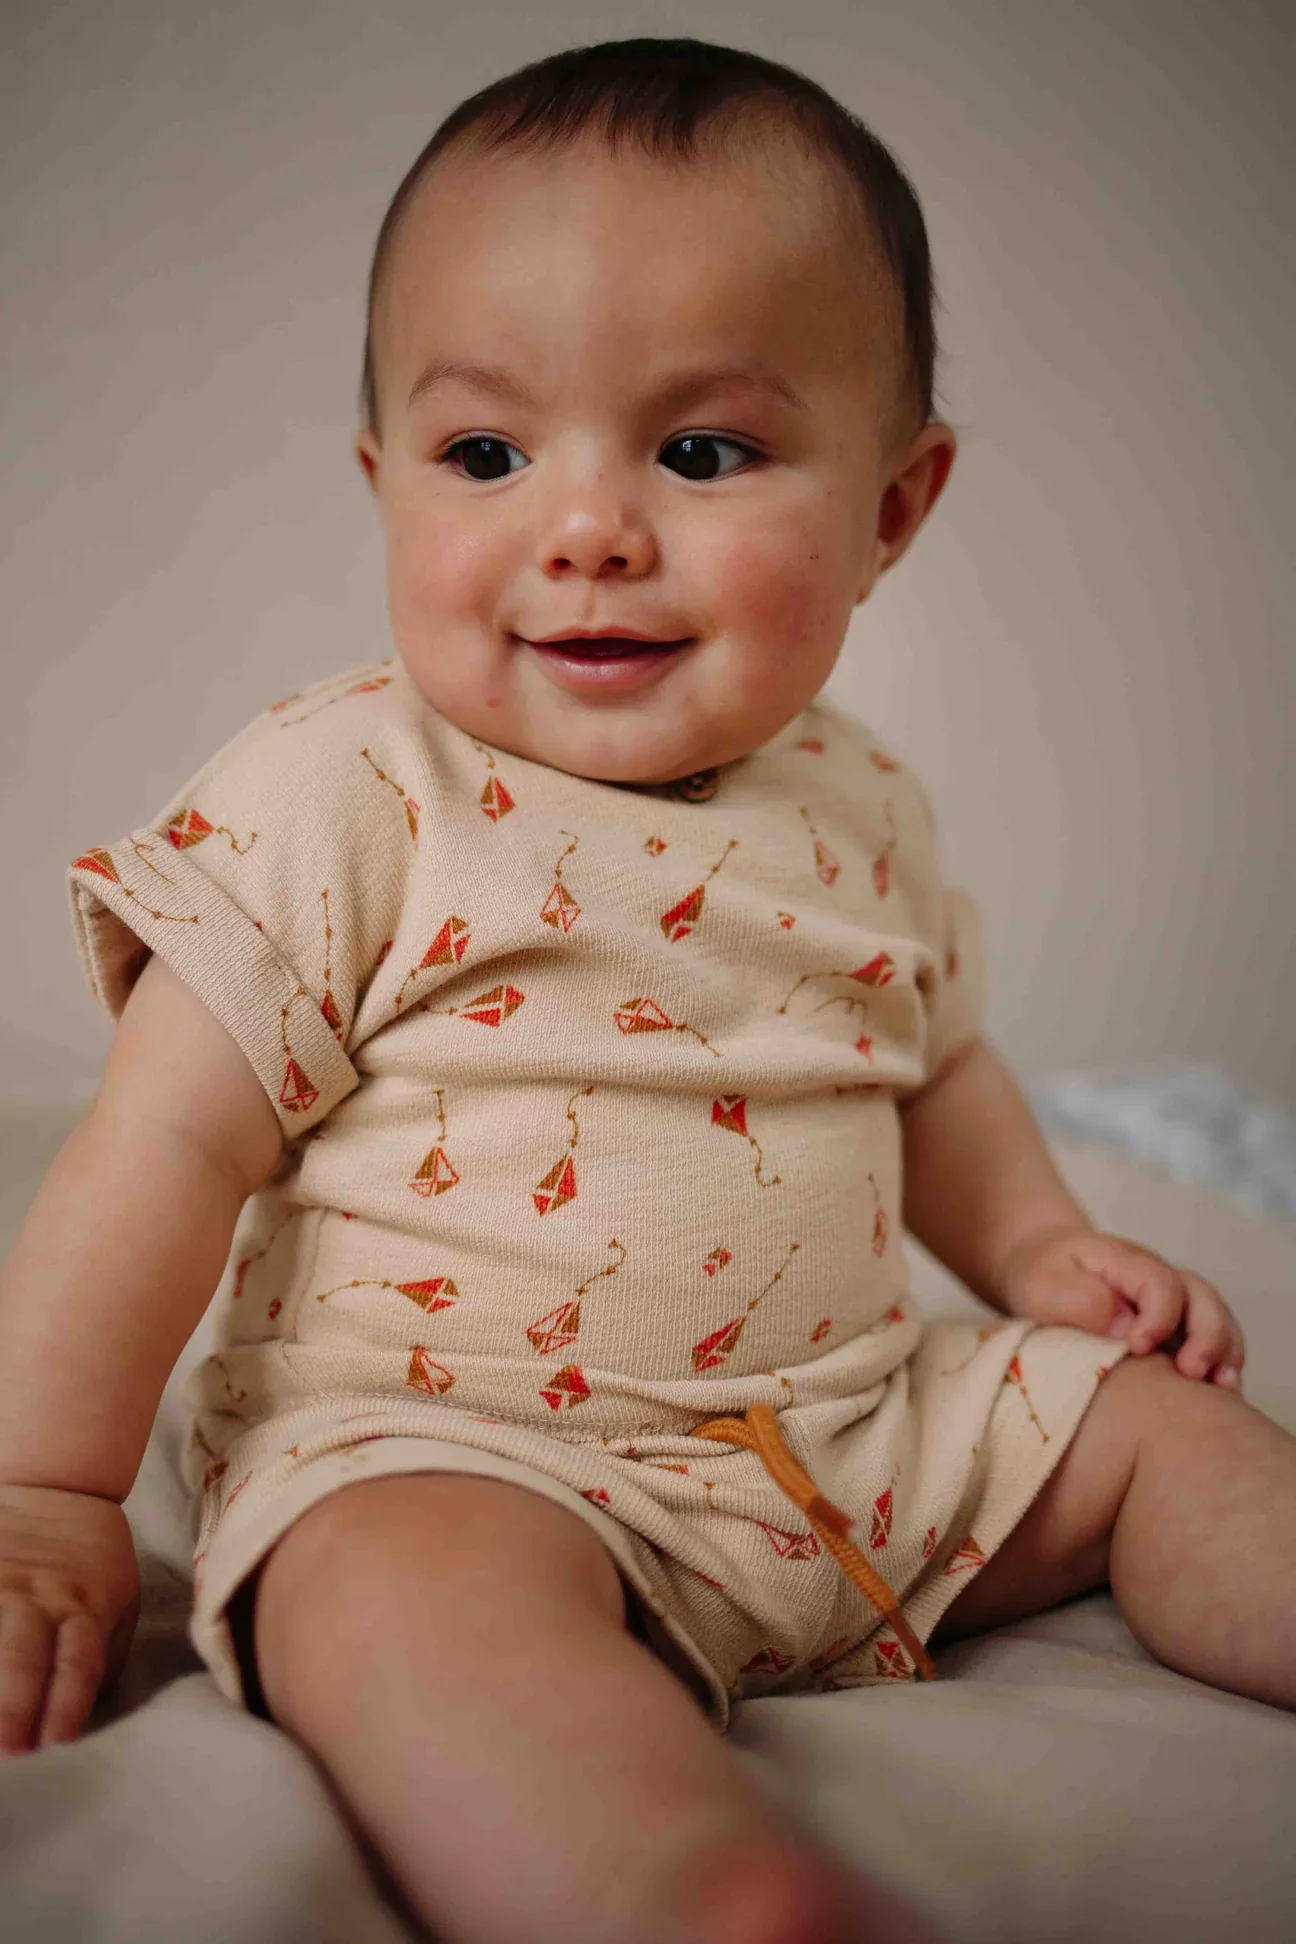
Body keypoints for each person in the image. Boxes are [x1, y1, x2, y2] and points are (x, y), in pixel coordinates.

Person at [1, 37, 1292, 1944]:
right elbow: (163, 1150)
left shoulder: (861, 802)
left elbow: (932, 1065)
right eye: (485, 455)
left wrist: (1037, 1250)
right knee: (398, 1592)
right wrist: (47, 1491)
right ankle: (681, 1884)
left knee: (1156, 1429)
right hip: (465, 1443)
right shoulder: (342, 792)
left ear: (893, 509)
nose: (589, 528)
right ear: (384, 485)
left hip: (859, 1442)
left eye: (701, 452)